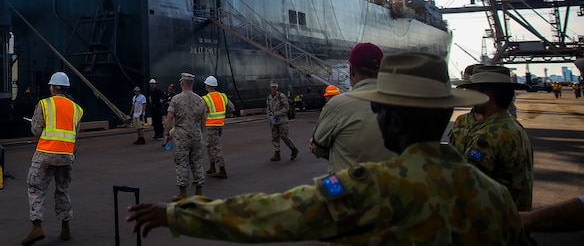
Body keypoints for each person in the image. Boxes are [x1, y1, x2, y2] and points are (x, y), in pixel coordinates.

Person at [125, 52, 528, 244]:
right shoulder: (493, 197)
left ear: (393, 118)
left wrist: (178, 215)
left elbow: (272, 214)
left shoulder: (367, 186)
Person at [452, 64, 534, 210]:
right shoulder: (513, 126)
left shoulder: (488, 136)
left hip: (493, 223)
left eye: (475, 92)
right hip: (514, 220)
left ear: (487, 95)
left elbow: (467, 185)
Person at [309, 42, 393, 174]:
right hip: (393, 189)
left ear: (351, 70)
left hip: (351, 191)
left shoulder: (337, 105)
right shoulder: (405, 104)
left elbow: (318, 148)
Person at [22, 71, 83, 245]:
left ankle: (37, 227)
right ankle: (65, 227)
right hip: (66, 156)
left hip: (45, 154)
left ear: (53, 88)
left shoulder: (44, 104)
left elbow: (36, 131)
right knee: (62, 189)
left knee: (35, 188)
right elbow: (75, 134)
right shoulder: (77, 109)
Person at [165, 72, 207, 201]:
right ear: (192, 84)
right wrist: (200, 134)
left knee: (181, 163)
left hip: (181, 137)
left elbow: (169, 118)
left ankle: (182, 193)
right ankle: (199, 192)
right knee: (197, 163)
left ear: (182, 83)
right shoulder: (200, 100)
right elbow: (203, 121)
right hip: (196, 136)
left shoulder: (176, 99)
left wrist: (167, 134)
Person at [201, 75, 235, 179]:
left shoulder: (206, 98)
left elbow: (201, 113)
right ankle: (212, 167)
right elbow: (231, 107)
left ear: (207, 86)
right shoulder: (223, 96)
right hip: (219, 125)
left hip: (211, 126)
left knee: (215, 147)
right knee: (209, 145)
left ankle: (222, 170)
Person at [266, 82, 298, 161]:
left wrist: (277, 114)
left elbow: (286, 108)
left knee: (284, 137)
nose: (273, 89)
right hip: (274, 121)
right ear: (270, 88)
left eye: (275, 87)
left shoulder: (281, 96)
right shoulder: (269, 98)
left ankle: (294, 149)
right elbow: (268, 108)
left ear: (277, 88)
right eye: (272, 87)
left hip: (282, 120)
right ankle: (277, 154)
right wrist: (270, 117)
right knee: (274, 137)